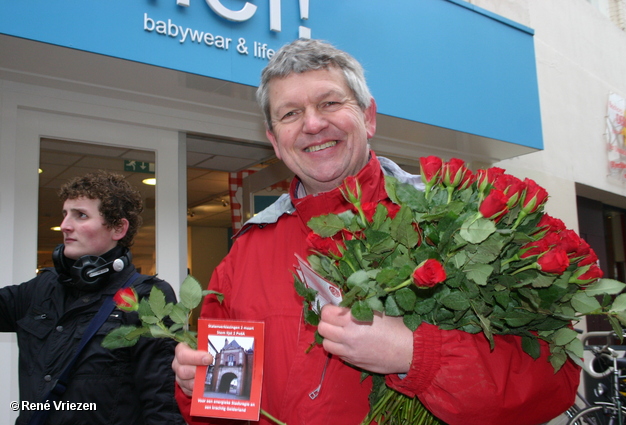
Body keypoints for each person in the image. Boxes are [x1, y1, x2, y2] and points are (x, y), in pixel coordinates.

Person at [173, 39, 581, 425]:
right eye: (290, 113)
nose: (313, 124)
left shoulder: (455, 220)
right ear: (275, 141)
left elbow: (552, 383)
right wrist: (196, 386)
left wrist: (415, 354)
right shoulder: (247, 251)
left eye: (330, 103)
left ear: (368, 116)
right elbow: (225, 405)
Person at [0, 171, 185, 425]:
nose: (65, 224)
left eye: (81, 215)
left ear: (118, 228)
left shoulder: (147, 296)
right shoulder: (42, 287)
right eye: (65, 214)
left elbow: (162, 404)